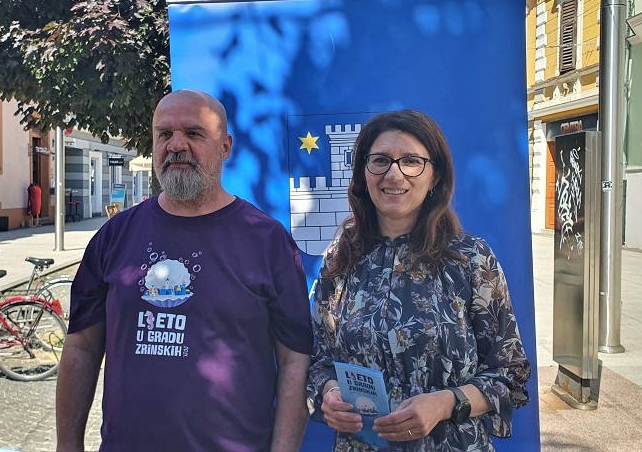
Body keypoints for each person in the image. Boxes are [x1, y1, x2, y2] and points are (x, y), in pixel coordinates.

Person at [56, 89, 313, 452]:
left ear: (225, 147)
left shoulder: (267, 241)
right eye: (164, 134)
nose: (176, 145)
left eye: (193, 133)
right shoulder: (114, 236)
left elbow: (294, 360)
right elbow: (82, 346)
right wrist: (68, 445)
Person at [307, 110, 531, 451]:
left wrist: (445, 403)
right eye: (380, 160)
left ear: (435, 176)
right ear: (363, 174)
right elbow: (320, 361)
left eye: (411, 161)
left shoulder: (471, 259)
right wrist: (330, 393)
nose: (394, 174)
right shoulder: (340, 258)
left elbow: (509, 373)